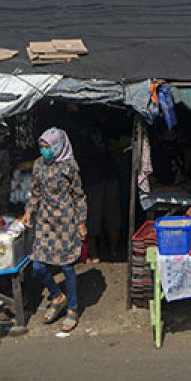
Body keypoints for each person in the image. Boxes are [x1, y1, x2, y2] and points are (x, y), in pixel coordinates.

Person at [20, 127, 88, 333]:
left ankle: (73, 309)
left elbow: (79, 196)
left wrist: (82, 222)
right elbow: (35, 193)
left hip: (67, 221)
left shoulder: (69, 167)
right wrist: (28, 212)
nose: (44, 150)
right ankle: (57, 295)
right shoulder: (38, 165)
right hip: (45, 222)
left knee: (67, 266)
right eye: (42, 146)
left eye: (47, 146)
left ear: (58, 146)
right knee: (38, 266)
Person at [66, 105, 123, 263]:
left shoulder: (76, 129)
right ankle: (112, 251)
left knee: (93, 217)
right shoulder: (102, 127)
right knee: (112, 214)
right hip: (108, 174)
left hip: (93, 178)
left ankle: (94, 254)